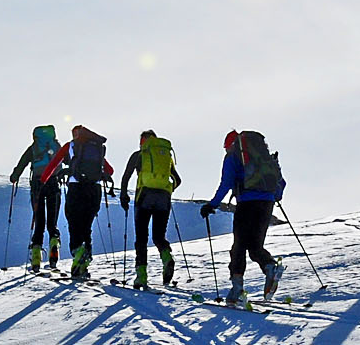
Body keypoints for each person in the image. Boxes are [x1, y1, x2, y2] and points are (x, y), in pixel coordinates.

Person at [201, 130, 287, 304]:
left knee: (239, 246)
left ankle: (237, 289)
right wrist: (273, 196)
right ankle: (270, 267)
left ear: (230, 145)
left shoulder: (233, 156)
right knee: (255, 246)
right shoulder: (264, 156)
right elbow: (281, 183)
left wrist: (212, 204)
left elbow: (226, 183)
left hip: (247, 202)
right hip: (266, 203)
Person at [40, 125, 112, 279]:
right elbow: (110, 170)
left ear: (75, 134)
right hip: (95, 190)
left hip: (76, 187)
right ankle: (85, 262)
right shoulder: (95, 147)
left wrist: (43, 180)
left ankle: (78, 253)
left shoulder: (71, 146)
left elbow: (54, 164)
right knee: (87, 226)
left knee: (73, 223)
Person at [119, 130, 182, 288]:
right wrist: (167, 189)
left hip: (144, 196)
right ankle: (167, 258)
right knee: (158, 236)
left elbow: (126, 177)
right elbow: (178, 179)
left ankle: (142, 276)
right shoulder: (164, 156)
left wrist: (124, 196)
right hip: (163, 198)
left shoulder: (139, 155)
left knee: (141, 238)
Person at [8, 125, 63, 271]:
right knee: (52, 223)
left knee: (39, 222)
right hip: (54, 182)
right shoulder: (56, 146)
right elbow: (69, 160)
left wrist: (14, 176)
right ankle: (54, 246)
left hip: (37, 185)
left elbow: (22, 164)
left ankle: (36, 256)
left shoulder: (33, 148)